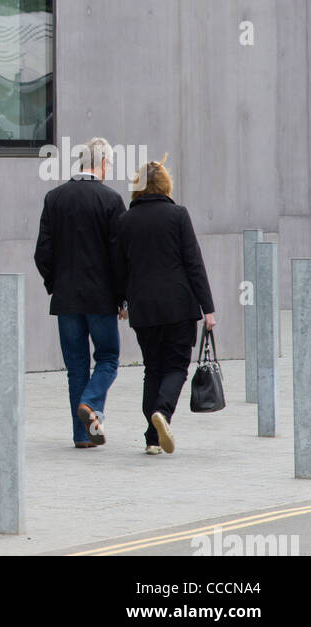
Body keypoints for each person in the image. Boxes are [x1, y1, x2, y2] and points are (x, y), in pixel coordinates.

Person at [116, 156, 216, 455]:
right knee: (176, 366)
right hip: (178, 305)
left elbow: (120, 268)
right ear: (165, 185)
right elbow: (193, 263)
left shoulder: (125, 221)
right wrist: (208, 308)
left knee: (153, 369)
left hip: (143, 308)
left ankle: (151, 438)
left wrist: (121, 302)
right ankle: (162, 413)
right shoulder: (178, 215)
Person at [34, 138, 127, 449]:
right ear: (101, 164)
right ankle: (91, 405)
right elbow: (120, 256)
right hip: (101, 299)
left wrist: (54, 284)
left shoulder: (54, 198)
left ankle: (81, 435)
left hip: (66, 299)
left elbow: (42, 253)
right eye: (109, 165)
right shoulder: (111, 200)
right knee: (109, 358)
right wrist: (123, 296)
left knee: (76, 366)